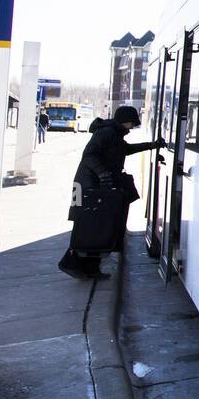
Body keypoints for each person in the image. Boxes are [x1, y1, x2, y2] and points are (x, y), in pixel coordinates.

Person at [58, 106, 163, 278]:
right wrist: (102, 173)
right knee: (91, 227)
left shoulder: (114, 134)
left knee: (97, 226)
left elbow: (126, 150)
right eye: (131, 123)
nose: (131, 127)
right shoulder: (107, 133)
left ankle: (89, 267)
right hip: (89, 187)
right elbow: (89, 155)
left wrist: (152, 146)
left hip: (92, 186)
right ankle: (73, 263)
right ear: (124, 120)